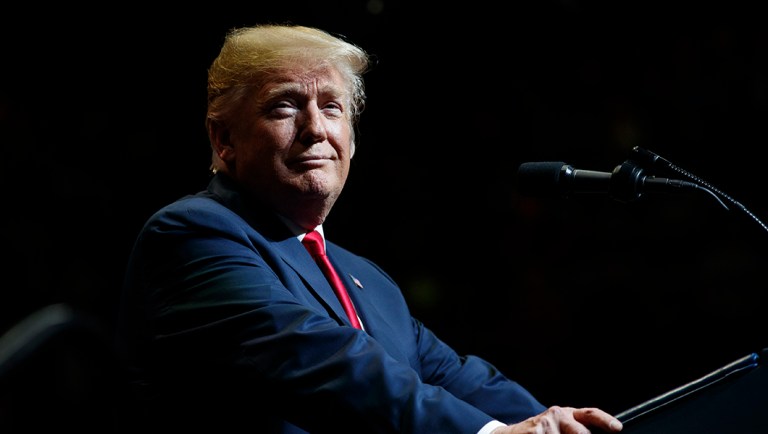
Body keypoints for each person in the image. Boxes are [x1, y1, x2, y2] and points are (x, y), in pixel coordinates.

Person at [114, 23, 623, 434]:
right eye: (285, 106)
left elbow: (453, 377)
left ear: (352, 140)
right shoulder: (192, 236)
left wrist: (562, 424)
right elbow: (322, 360)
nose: (316, 128)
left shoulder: (367, 280)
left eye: (331, 107)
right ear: (224, 138)